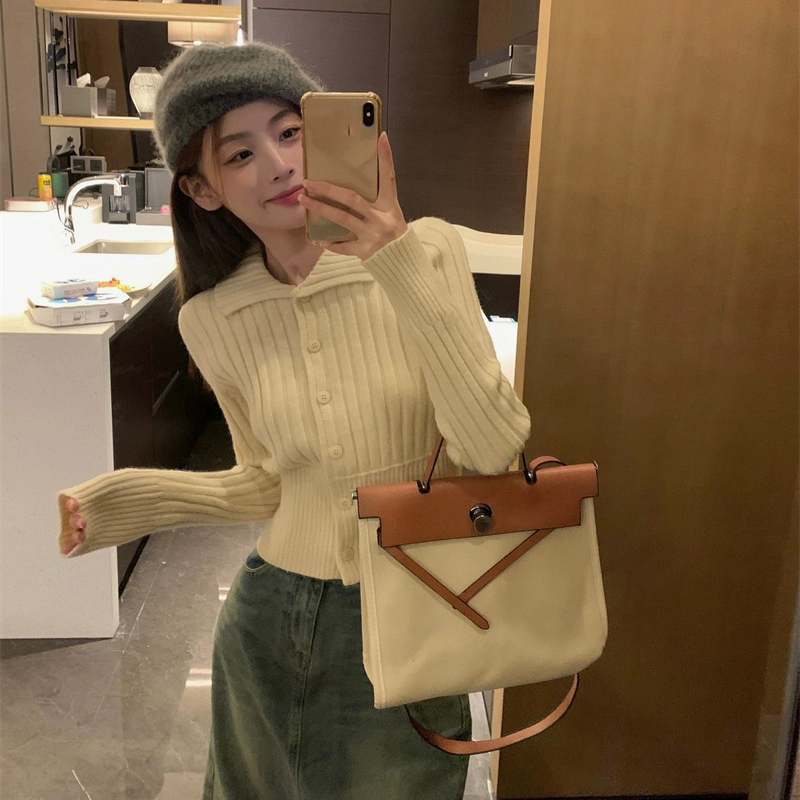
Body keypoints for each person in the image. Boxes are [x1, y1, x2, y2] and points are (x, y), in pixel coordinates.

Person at [57, 41, 531, 800]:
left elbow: (493, 448)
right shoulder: (213, 318)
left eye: (290, 132)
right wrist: (124, 502)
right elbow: (264, 482)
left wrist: (396, 260)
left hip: (413, 608)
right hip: (269, 618)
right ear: (202, 189)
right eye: (240, 153)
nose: (279, 165)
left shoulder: (430, 253)